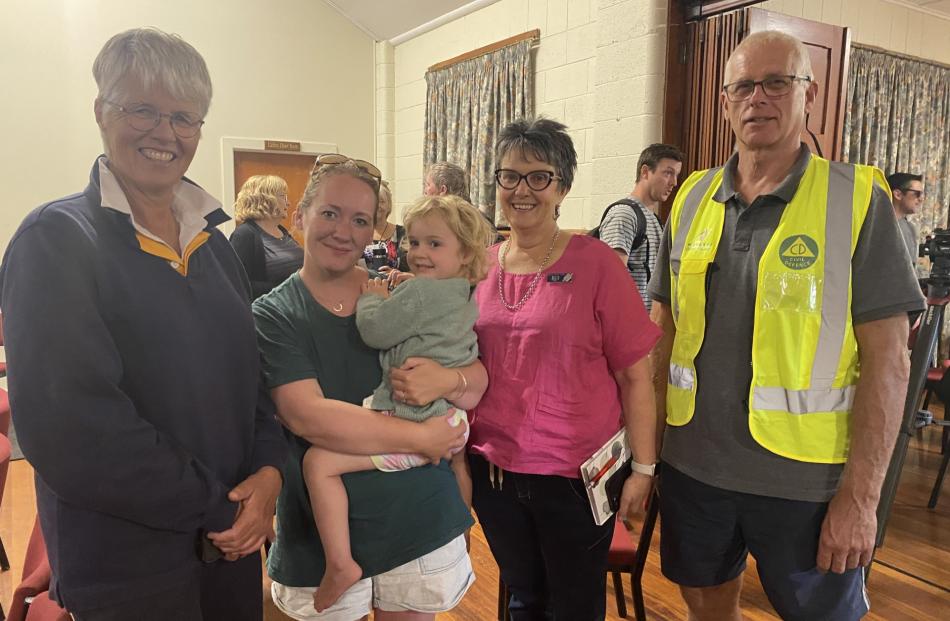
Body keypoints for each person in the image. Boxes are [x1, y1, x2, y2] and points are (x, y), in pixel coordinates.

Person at [0, 28, 286, 620]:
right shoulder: (55, 240)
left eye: (185, 117)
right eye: (142, 109)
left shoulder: (214, 246)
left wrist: (269, 472)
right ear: (101, 111)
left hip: (230, 548)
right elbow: (75, 433)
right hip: (128, 566)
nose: (165, 132)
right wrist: (222, 507)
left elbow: (252, 378)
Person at [649, 31, 924, 621]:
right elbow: (662, 336)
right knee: (706, 609)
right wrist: (647, 459)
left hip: (809, 485)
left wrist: (861, 498)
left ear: (809, 94)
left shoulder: (856, 199)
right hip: (694, 469)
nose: (759, 98)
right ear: (725, 102)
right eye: (744, 86)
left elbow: (890, 361)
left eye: (778, 82)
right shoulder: (694, 195)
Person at [252, 154, 489, 621]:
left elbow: (475, 376)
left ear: (374, 231)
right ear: (300, 214)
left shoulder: (397, 292)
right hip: (322, 535)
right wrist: (423, 437)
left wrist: (452, 380)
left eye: (360, 219)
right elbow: (309, 417)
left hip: (416, 516)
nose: (343, 230)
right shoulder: (274, 313)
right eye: (330, 213)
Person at [469, 117, 661, 620]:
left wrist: (643, 468)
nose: (522, 189)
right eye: (509, 176)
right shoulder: (481, 265)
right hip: (494, 472)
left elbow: (635, 376)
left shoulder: (598, 265)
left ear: (563, 187)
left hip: (574, 478)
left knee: (572, 607)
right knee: (523, 596)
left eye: (539, 177)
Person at [304, 193, 492, 612]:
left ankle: (339, 564)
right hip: (449, 416)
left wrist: (372, 295)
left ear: (465, 253)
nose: (419, 254)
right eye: (415, 243)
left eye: (434, 244)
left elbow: (374, 330)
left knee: (319, 463)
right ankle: (461, 533)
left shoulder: (422, 294)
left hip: (412, 419)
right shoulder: (462, 291)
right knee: (457, 465)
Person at [598, 143, 683, 310]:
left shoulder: (655, 220)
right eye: (668, 173)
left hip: (648, 329)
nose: (674, 182)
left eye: (676, 175)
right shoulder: (624, 214)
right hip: (627, 331)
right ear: (645, 172)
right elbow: (610, 281)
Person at [229, 174, 303, 298]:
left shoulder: (282, 231)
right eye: (283, 196)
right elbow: (238, 284)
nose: (288, 203)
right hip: (269, 311)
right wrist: (287, 287)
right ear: (265, 199)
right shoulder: (244, 235)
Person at [362, 180, 406, 270]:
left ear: (388, 205)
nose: (378, 205)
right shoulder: (359, 232)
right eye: (374, 202)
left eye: (382, 201)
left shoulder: (403, 233)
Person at [886, 172, 924, 266]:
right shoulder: (878, 225)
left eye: (922, 194)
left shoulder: (910, 228)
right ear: (898, 194)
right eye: (917, 193)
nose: (921, 199)